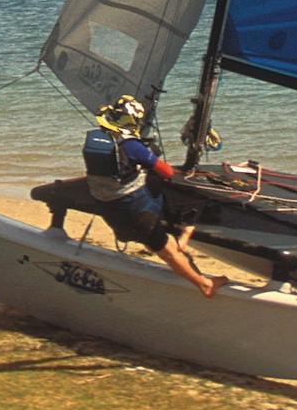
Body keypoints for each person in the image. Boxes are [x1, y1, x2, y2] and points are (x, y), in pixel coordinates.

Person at [82, 95, 222, 298]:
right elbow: (167, 172)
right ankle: (203, 284)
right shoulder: (131, 146)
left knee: (160, 242)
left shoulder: (97, 138)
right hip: (134, 209)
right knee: (168, 252)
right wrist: (148, 158)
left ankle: (181, 242)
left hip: (107, 205)